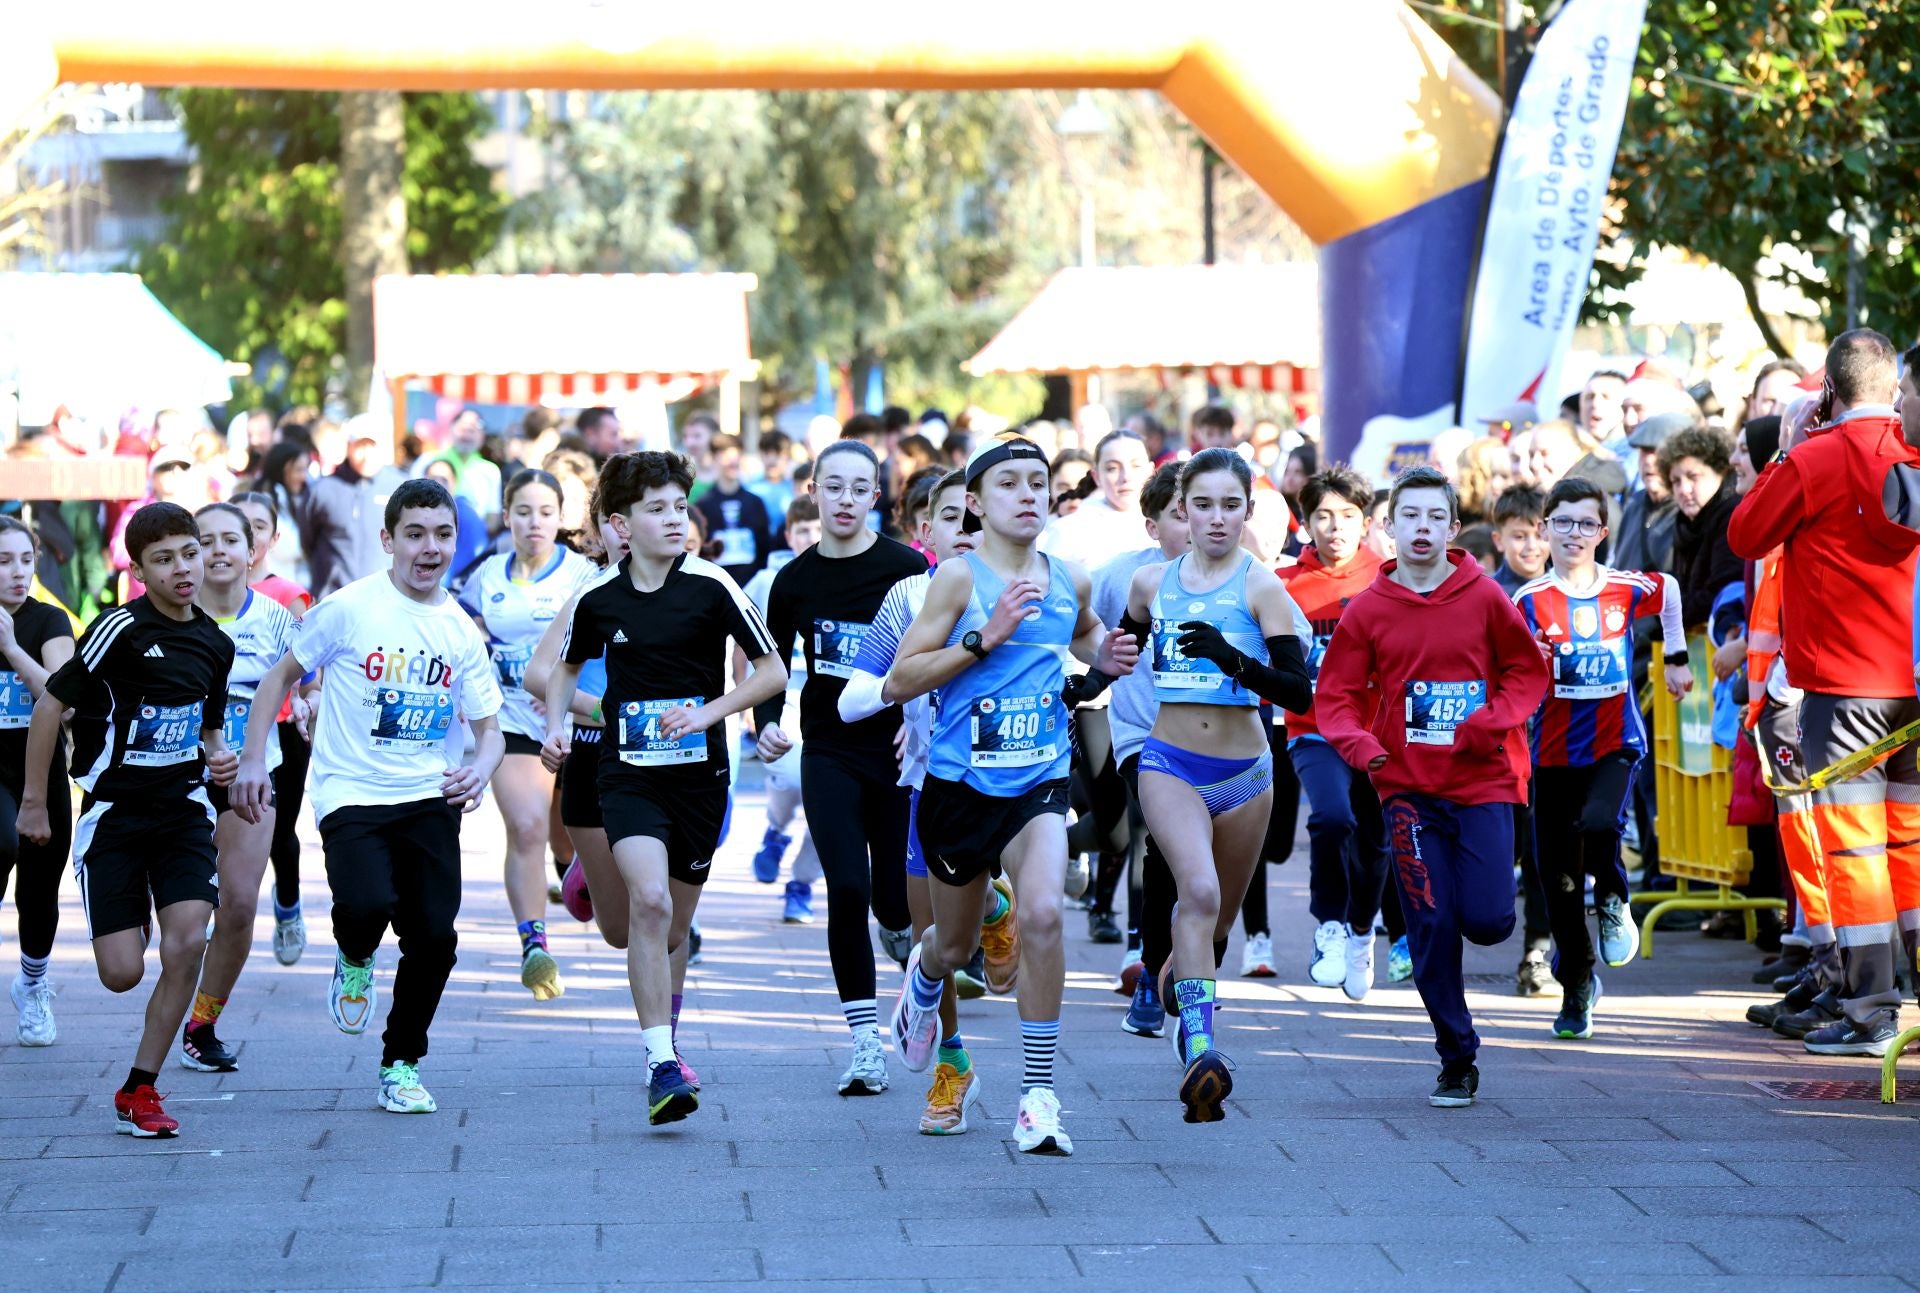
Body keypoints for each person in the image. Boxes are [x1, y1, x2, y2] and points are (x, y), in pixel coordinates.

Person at [886, 434, 1138, 1156]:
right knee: (956, 944)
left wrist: (1106, 654)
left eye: (1038, 482)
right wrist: (983, 638)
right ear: (975, 501)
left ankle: (1037, 1097)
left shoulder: (1070, 578)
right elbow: (901, 679)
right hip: (959, 787)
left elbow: (1085, 634)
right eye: (1009, 484)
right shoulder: (958, 581)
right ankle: (925, 980)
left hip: (1039, 780)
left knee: (1044, 914)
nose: (1028, 494)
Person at [232, 479, 506, 1115]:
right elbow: (281, 675)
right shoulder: (350, 607)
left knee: (435, 939)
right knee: (367, 904)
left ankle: (401, 1063)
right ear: (388, 540)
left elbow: (489, 731)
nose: (428, 548)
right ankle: (355, 955)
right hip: (351, 792)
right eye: (414, 534)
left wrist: (482, 770)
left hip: (429, 796)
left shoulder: (461, 631)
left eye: (442, 535)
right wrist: (253, 758)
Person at [542, 452, 786, 1126]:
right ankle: (660, 1060)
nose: (674, 519)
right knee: (648, 903)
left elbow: (771, 672)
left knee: (673, 924)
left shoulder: (713, 587)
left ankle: (661, 1033)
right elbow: (560, 669)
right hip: (627, 779)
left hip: (700, 782)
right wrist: (555, 725)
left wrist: (710, 713)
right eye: (658, 509)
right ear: (621, 524)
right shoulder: (598, 598)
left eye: (680, 506)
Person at [1315, 467, 1549, 1108]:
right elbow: (1334, 699)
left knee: (1490, 919)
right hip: (1408, 792)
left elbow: (1526, 674)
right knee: (1431, 924)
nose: (1420, 528)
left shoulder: (1483, 597)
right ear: (1389, 527)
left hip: (1482, 783)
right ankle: (1457, 1055)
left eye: (1433, 517)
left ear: (1452, 527)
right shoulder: (1368, 608)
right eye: (1408, 516)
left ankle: (1477, 978)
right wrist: (1365, 749)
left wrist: (1488, 722)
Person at [17, 502, 238, 1137]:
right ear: (139, 571)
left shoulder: (215, 644)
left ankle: (140, 1089)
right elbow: (48, 709)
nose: (181, 569)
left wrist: (221, 760)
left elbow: (210, 731)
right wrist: (37, 802)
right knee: (121, 974)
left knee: (189, 941)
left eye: (188, 554)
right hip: (115, 817)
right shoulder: (119, 629)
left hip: (184, 813)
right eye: (163, 560)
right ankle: (130, 904)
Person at [1729, 330, 1920, 1057]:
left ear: (1830, 392)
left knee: (1855, 857)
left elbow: (1747, 533)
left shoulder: (1813, 457)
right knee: (1910, 849)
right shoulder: (1913, 449)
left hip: (1843, 692)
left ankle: (1872, 1012)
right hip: (1914, 682)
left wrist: (1786, 448)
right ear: (1893, 382)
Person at [1122, 449, 1310, 1120]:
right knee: (1195, 891)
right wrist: (1089, 678)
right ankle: (1201, 1049)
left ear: (1247, 511)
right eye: (1202, 504)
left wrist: (1232, 657)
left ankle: (1185, 970)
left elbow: (1299, 690)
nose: (1216, 517)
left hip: (1248, 775)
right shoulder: (1151, 583)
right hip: (1169, 761)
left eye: (1231, 504)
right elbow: (1121, 649)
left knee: (1218, 923)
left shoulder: (1263, 589)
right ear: (1182, 510)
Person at [755, 441, 927, 1096]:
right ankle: (864, 1043)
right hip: (827, 749)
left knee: (891, 896)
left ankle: (899, 931)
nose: (846, 499)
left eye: (860, 488)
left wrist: (918, 723)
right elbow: (771, 667)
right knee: (845, 885)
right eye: (834, 487)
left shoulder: (905, 568)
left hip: (894, 752)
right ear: (815, 491)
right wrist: (766, 721)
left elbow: (933, 650)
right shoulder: (794, 581)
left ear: (876, 496)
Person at [837, 468, 997, 1132]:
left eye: (975, 516)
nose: (967, 530)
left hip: (1018, 786)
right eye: (951, 518)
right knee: (931, 935)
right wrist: (902, 690)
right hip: (932, 785)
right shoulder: (907, 597)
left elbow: (1080, 664)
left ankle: (1002, 901)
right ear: (923, 530)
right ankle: (951, 1066)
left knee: (1014, 898)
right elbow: (852, 698)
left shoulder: (1030, 587)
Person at [1512, 478, 1690, 1039]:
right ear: (1545, 529)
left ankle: (1615, 897)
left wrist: (1678, 658)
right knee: (1557, 880)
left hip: (1615, 741)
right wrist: (1532, 664)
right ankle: (1577, 985)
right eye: (1562, 522)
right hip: (1555, 751)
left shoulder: (1625, 588)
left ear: (1603, 532)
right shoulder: (1528, 600)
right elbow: (1512, 672)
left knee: (1600, 822)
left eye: (1586, 523)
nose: (1574, 534)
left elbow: (1673, 592)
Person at [459, 470, 598, 1001]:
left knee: (568, 828)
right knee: (525, 825)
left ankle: (574, 871)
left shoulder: (584, 575)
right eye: (522, 512)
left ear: (561, 516)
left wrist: (568, 693)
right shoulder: (485, 576)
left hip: (582, 723)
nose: (534, 523)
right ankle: (533, 944)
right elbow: (465, 634)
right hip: (513, 721)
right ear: (507, 514)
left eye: (545, 512)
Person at [177, 503, 299, 1072]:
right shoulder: (167, 616)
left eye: (234, 538)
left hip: (253, 774)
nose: (221, 549)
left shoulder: (278, 620)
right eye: (207, 540)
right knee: (186, 911)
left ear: (254, 550)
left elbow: (314, 678)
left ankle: (202, 1024)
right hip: (173, 776)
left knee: (241, 905)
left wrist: (310, 702)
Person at [1280, 467, 1394, 992]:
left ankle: (1360, 931)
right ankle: (1328, 922)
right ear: (1305, 523)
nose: (1335, 527)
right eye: (1322, 516)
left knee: (1375, 841)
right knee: (1331, 818)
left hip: (1378, 731)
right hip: (1315, 727)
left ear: (1367, 521)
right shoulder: (1285, 585)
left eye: (1347, 515)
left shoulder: (1387, 577)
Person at [0, 517, 76, 1046]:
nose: (17, 573)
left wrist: (9, 645)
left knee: (40, 890)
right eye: (4, 561)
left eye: (26, 560)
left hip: (41, 769)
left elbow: (62, 695)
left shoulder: (48, 620)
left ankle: (32, 984)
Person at [230, 492, 314, 966]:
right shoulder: (202, 591)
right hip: (223, 733)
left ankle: (288, 906)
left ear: (273, 538)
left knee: (279, 828)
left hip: (282, 730)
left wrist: (304, 700)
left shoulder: (287, 595)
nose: (250, 535)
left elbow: (307, 672)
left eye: (259, 526)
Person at [744, 497, 825, 922]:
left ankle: (801, 884)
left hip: (830, 704)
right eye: (801, 530)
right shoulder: (765, 581)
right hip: (785, 698)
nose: (809, 537)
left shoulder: (841, 575)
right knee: (792, 781)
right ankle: (775, 830)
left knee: (827, 802)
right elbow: (742, 643)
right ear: (788, 534)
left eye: (816, 528)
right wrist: (746, 699)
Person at [295, 418, 407, 599]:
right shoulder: (322, 490)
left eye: (372, 445)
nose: (366, 454)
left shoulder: (402, 487)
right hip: (333, 600)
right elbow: (307, 541)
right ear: (348, 446)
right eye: (360, 446)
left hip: (386, 600)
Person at [694, 433, 776, 587]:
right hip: (716, 587)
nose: (732, 461)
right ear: (713, 458)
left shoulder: (755, 502)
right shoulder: (703, 505)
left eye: (736, 456)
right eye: (725, 456)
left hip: (753, 585)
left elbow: (765, 545)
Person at [442, 408, 503, 529]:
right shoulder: (428, 462)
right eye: (463, 429)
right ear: (451, 430)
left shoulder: (490, 471)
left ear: (482, 436)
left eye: (472, 430)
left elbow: (493, 517)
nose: (467, 435)